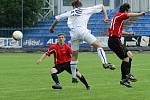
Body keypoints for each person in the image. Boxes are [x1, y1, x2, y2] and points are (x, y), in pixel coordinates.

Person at [49, 0, 115, 83]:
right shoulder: (86, 10)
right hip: (83, 32)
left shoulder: (70, 12)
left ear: (73, 6)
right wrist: (105, 17)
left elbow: (57, 19)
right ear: (80, 5)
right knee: (98, 46)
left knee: (74, 56)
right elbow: (102, 6)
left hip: (74, 35)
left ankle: (73, 76)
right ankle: (105, 62)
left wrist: (52, 28)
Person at [108, 3, 145, 87]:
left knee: (130, 55)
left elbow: (119, 32)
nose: (128, 12)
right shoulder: (120, 15)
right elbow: (129, 15)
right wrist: (140, 14)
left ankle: (127, 76)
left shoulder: (117, 18)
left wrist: (128, 33)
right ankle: (125, 78)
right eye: (128, 11)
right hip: (114, 41)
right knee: (126, 58)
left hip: (115, 40)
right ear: (125, 10)